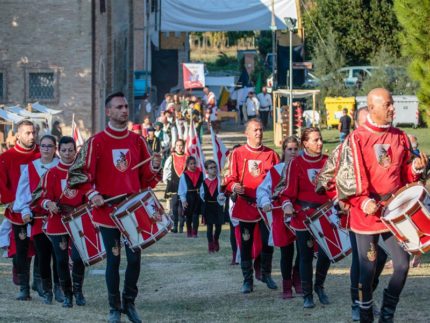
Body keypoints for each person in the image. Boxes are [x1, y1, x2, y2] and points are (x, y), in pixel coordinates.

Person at [68, 91, 162, 323]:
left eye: (126, 106)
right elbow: (78, 173)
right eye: (119, 107)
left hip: (132, 209)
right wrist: (93, 194)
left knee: (135, 259)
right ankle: (114, 307)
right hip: (107, 211)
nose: (124, 110)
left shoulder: (138, 141)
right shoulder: (96, 142)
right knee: (114, 259)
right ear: (108, 111)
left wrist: (155, 166)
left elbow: (146, 177)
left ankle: (129, 303)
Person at [338, 88, 427, 322]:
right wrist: (362, 201)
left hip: (394, 211)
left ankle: (387, 312)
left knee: (402, 265)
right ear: (373, 107)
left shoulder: (400, 136)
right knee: (367, 271)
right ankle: (365, 314)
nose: (392, 108)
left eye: (392, 103)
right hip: (367, 215)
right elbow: (348, 178)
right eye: (387, 104)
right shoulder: (356, 138)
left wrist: (416, 168)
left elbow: (405, 175)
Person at [316, 106, 388, 321]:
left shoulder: (383, 145)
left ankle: (366, 297)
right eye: (365, 122)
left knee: (381, 257)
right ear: (357, 124)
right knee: (362, 260)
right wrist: (340, 199)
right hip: (357, 213)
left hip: (381, 213)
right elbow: (323, 180)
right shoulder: (344, 148)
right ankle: (357, 304)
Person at [224, 119, 280, 294]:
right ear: (246, 133)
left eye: (261, 129)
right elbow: (229, 178)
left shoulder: (271, 154)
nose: (259, 133)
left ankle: (266, 273)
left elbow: (279, 179)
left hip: (265, 206)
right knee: (246, 243)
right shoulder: (238, 153)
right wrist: (234, 186)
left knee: (267, 241)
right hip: (246, 204)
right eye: (255, 130)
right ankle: (247, 280)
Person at [279, 127, 332, 309]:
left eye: (320, 139)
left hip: (326, 215)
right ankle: (307, 294)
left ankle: (319, 286)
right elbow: (288, 192)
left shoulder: (328, 161)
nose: (320, 143)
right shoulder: (296, 163)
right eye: (315, 140)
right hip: (304, 216)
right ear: (305, 143)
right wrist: (287, 205)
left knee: (327, 254)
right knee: (306, 256)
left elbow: (335, 188)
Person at [36, 136, 86, 308]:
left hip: (78, 220)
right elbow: (42, 197)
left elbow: (88, 194)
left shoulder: (81, 172)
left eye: (70, 150)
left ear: (75, 151)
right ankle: (67, 295)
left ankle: (78, 291)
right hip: (58, 223)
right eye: (63, 150)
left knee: (79, 258)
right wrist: (48, 203)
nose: (67, 153)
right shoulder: (51, 174)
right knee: (61, 260)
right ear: (59, 151)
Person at [13, 134, 60, 304]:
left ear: (55, 148)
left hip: (57, 216)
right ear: (40, 147)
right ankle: (41, 288)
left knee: (58, 255)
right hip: (38, 217)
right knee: (40, 253)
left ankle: (58, 288)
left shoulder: (61, 166)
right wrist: (25, 209)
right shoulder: (31, 167)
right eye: (44, 146)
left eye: (50, 146)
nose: (46, 149)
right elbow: (23, 192)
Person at [257, 136, 302, 299]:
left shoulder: (303, 168)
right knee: (287, 252)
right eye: (289, 149)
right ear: (284, 151)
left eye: (296, 149)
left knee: (304, 252)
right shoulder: (276, 170)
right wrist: (265, 202)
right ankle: (287, 286)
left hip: (301, 216)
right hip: (282, 217)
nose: (293, 152)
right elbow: (262, 190)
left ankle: (298, 280)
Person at [0, 120, 40, 301]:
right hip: (17, 211)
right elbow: (2, 182)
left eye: (33, 133)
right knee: (21, 249)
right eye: (27, 133)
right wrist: (9, 201)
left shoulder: (42, 153)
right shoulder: (7, 157)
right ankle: (24, 287)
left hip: (39, 209)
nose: (31, 137)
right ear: (18, 135)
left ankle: (38, 281)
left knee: (40, 247)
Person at [200, 160, 225, 253]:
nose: (214, 169)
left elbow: (223, 192)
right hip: (208, 206)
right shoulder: (204, 182)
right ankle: (210, 244)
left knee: (218, 226)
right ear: (206, 170)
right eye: (211, 168)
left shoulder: (220, 180)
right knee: (209, 226)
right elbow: (202, 195)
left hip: (218, 206)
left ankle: (216, 238)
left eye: (215, 167)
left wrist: (222, 197)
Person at [163, 139, 187, 233]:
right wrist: (167, 180)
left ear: (184, 146)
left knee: (182, 206)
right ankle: (175, 225)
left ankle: (181, 225)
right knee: (174, 206)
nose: (179, 147)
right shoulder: (171, 157)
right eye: (177, 145)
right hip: (174, 184)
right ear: (175, 146)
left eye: (181, 145)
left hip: (184, 185)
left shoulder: (187, 157)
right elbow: (166, 169)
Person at [178, 156, 204, 238]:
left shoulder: (200, 174)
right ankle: (189, 230)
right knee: (188, 215)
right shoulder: (184, 175)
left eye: (194, 163)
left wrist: (203, 196)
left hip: (197, 196)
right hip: (188, 197)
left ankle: (195, 232)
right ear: (187, 165)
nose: (193, 165)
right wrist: (183, 200)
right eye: (191, 164)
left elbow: (203, 186)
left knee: (196, 214)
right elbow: (181, 188)